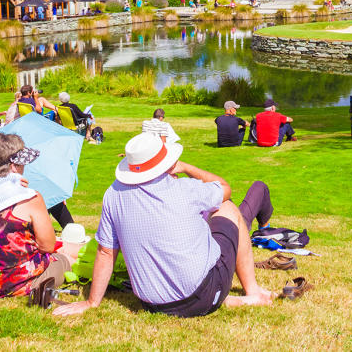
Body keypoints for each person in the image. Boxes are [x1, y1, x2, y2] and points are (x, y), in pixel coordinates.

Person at [52, 133, 275, 318]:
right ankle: (252, 291)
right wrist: (186, 167)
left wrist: (92, 302)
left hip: (153, 304)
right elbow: (224, 188)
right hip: (202, 294)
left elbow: (105, 250)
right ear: (167, 163)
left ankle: (217, 298)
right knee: (228, 208)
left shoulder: (113, 195)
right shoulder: (185, 189)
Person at [0, 133, 77, 299]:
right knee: (64, 259)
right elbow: (48, 246)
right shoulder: (30, 197)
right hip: (15, 282)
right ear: (14, 165)